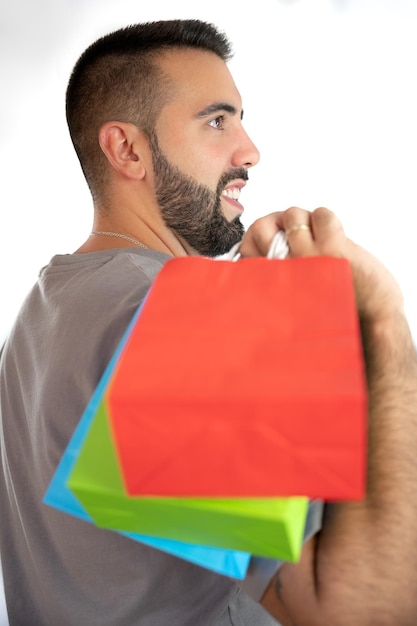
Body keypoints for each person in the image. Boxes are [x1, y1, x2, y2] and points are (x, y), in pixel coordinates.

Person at [0, 18, 416, 626]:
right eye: (217, 121)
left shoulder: (39, 318)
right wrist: (384, 325)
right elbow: (356, 612)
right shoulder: (163, 308)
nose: (249, 150)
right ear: (128, 150)